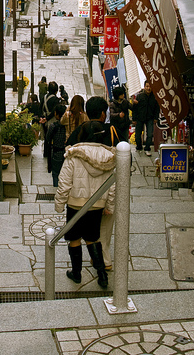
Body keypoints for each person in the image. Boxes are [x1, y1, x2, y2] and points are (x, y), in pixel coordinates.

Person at [54, 96, 115, 289]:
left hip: (75, 203)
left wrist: (59, 204)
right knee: (93, 237)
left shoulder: (73, 154)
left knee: (73, 238)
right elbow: (112, 185)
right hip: (96, 204)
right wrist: (109, 205)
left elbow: (64, 182)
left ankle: (77, 273)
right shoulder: (109, 157)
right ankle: (102, 275)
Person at [132, 80, 160, 156]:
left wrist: (155, 118)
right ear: (144, 87)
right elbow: (135, 108)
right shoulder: (139, 96)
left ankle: (147, 148)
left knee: (150, 134)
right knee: (137, 135)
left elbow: (157, 108)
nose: (148, 88)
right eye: (147, 86)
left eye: (150, 86)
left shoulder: (154, 96)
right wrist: (134, 119)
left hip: (150, 118)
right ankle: (139, 147)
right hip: (140, 118)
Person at [45, 103, 67, 186]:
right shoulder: (68, 126)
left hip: (56, 153)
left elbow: (48, 138)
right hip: (66, 152)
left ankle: (56, 188)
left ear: (56, 114)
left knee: (55, 173)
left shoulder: (53, 126)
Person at [41, 81, 61, 164]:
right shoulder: (56, 99)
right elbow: (54, 111)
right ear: (56, 91)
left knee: (46, 136)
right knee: (52, 137)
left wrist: (42, 118)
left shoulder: (44, 97)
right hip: (51, 120)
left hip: (44, 119)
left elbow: (40, 107)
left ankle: (45, 153)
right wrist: (48, 118)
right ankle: (50, 153)